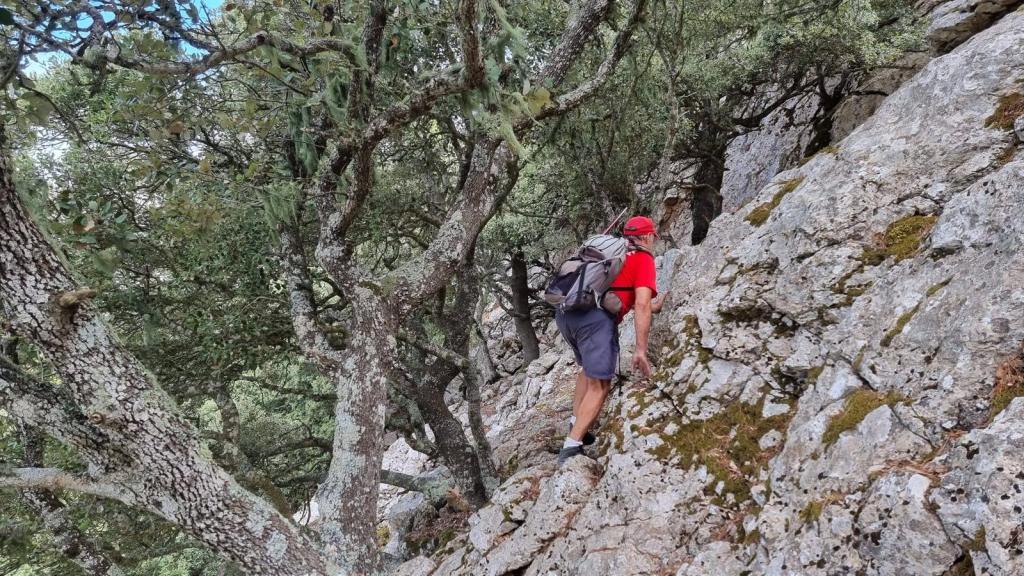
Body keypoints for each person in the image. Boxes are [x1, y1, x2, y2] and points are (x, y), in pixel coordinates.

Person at [555, 215, 666, 465]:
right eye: (653, 237)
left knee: (587, 371)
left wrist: (652, 306)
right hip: (595, 322)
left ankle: (578, 423)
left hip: (567, 314)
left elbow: (633, 297)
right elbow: (641, 303)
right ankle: (571, 449)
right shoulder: (643, 259)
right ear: (648, 236)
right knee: (601, 385)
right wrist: (641, 350)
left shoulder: (607, 251)